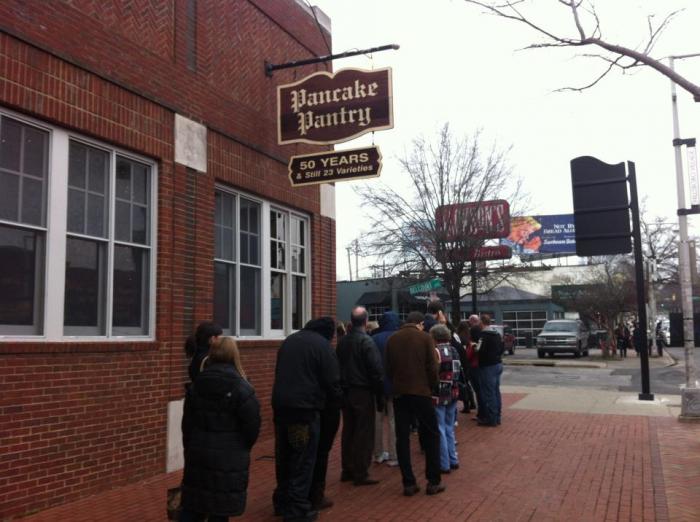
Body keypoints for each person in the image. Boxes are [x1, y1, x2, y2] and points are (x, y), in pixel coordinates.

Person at [180, 337, 260, 521]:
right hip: (229, 457)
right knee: (220, 508)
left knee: (193, 504)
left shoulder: (196, 385)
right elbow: (252, 427)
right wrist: (239, 447)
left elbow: (187, 425)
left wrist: (191, 447)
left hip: (198, 453)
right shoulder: (243, 388)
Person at [272, 317, 342, 522]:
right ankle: (297, 508)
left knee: (283, 456)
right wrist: (337, 403)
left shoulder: (289, 341)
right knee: (303, 459)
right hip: (305, 411)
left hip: (281, 407)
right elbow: (332, 381)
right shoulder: (323, 347)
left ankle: (281, 501)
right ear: (329, 334)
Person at [386, 311, 444, 497]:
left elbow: (387, 368)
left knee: (402, 438)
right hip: (421, 392)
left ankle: (408, 483)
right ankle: (433, 481)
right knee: (431, 434)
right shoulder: (425, 338)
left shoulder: (393, 340)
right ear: (419, 323)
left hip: (400, 394)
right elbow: (432, 367)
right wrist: (432, 386)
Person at [336, 306, 384, 486]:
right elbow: (376, 371)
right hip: (362, 392)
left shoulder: (342, 342)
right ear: (365, 321)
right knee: (364, 431)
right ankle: (361, 472)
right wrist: (379, 394)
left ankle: (347, 468)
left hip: (346, 391)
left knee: (349, 430)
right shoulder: (366, 342)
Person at [429, 324, 461, 474]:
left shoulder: (436, 351)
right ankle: (453, 459)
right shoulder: (454, 350)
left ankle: (444, 463)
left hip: (439, 394)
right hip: (453, 392)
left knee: (440, 428)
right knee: (449, 427)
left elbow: (433, 373)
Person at [371, 311, 400, 467]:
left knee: (377, 419)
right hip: (396, 385)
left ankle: (378, 453)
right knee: (394, 420)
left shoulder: (374, 339)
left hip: (377, 385)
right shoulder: (400, 338)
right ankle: (394, 455)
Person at [476, 314, 503, 427]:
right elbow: (502, 348)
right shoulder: (497, 334)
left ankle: (491, 419)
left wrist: (474, 347)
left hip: (487, 366)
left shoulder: (483, 336)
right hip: (498, 364)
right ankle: (497, 417)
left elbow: (479, 350)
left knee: (489, 393)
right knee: (496, 391)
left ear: (482, 322)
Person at [456, 321, 477, 414]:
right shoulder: (469, 336)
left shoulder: (459, 337)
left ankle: (466, 405)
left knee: (463, 384)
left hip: (462, 363)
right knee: (467, 384)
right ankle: (472, 402)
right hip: (468, 364)